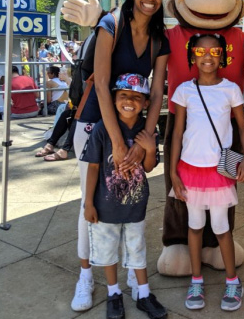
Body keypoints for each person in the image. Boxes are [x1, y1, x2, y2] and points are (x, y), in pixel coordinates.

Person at [71, 0, 170, 312]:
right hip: (96, 125)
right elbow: (100, 84)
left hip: (133, 127)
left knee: (127, 200)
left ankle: (133, 274)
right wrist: (116, 141)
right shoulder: (111, 25)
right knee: (93, 205)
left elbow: (157, 93)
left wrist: (146, 136)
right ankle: (86, 275)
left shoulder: (159, 38)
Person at [169, 34, 244, 312]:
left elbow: (241, 128)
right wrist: (173, 173)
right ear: (192, 57)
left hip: (218, 172)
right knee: (194, 226)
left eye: (214, 51)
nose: (207, 56)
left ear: (222, 56)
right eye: (200, 52)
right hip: (189, 169)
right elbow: (177, 133)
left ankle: (232, 280)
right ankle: (196, 280)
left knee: (221, 227)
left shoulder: (230, 90)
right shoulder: (183, 91)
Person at [83, 73, 167, 319]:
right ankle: (113, 293)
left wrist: (150, 149)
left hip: (136, 204)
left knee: (137, 248)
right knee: (108, 252)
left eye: (135, 97)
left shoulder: (147, 130)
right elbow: (93, 167)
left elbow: (150, 167)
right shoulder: (102, 129)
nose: (129, 101)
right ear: (114, 99)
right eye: (123, 96)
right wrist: (88, 203)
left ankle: (143, 293)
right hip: (105, 206)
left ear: (145, 103)